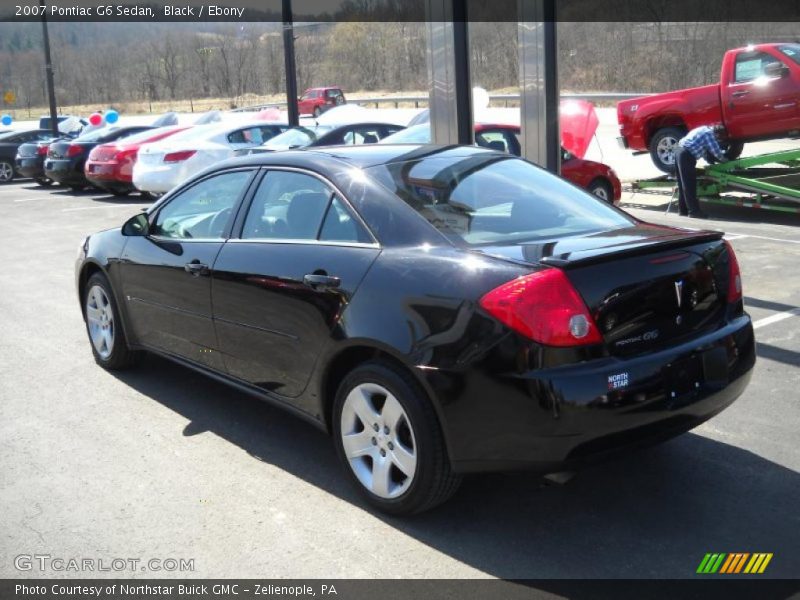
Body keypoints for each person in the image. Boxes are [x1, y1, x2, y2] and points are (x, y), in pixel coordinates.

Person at [674, 124, 728, 218]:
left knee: (682, 183)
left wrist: (709, 160)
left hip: (679, 151)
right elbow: (717, 153)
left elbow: (702, 150)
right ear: (718, 134)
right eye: (719, 138)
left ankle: (682, 210)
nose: (718, 140)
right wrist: (727, 161)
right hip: (686, 155)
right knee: (689, 184)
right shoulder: (709, 134)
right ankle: (694, 212)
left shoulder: (703, 129)